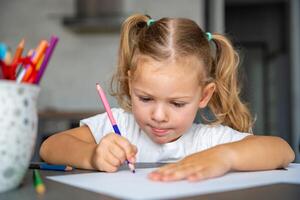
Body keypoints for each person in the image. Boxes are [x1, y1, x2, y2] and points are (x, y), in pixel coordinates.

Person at [40, 14, 295, 182]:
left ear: (204, 95)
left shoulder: (210, 140)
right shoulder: (118, 125)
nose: (159, 116)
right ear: (131, 85)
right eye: (146, 98)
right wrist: (93, 155)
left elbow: (283, 151)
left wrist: (224, 157)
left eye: (177, 103)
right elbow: (49, 147)